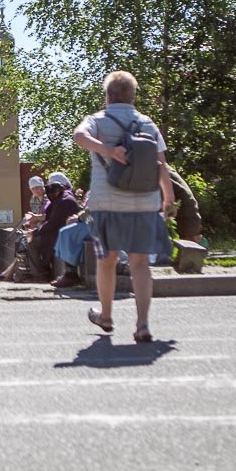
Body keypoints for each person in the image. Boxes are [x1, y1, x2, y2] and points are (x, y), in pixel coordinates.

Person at [74, 71, 174, 343]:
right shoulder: (147, 123)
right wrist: (168, 196)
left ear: (108, 96)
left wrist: (107, 150)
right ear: (133, 96)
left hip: (107, 204)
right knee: (140, 264)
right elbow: (161, 163)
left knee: (106, 261)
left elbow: (79, 136)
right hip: (145, 203)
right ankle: (142, 325)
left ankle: (106, 316)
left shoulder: (97, 120)